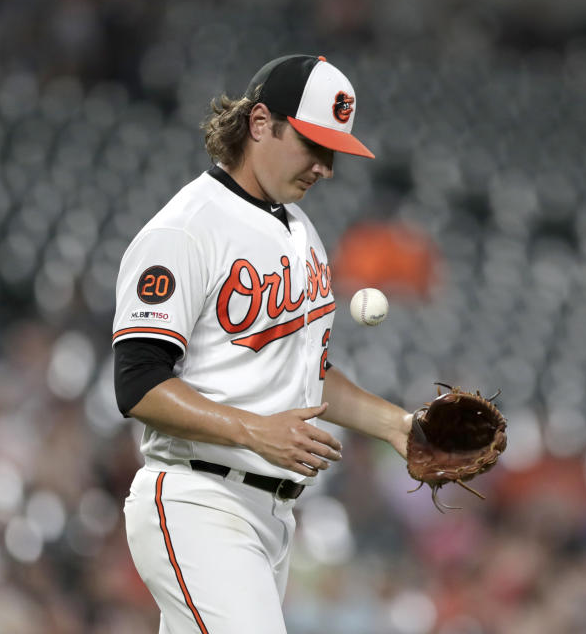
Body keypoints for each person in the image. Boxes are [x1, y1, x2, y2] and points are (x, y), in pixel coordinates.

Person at [112, 54, 412, 633]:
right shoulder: (187, 228)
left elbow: (306, 373)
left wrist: (397, 425)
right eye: (312, 144)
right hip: (198, 499)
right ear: (259, 123)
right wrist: (254, 429)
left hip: (273, 517)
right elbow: (139, 384)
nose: (324, 167)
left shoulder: (301, 232)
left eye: (334, 153)